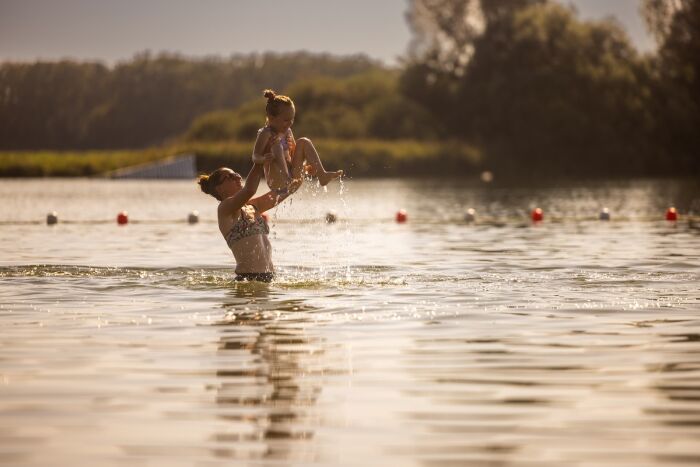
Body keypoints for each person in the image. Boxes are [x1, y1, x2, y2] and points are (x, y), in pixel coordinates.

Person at [197, 162, 300, 282]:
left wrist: (302, 169)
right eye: (230, 177)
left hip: (269, 278)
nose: (238, 177)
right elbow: (250, 189)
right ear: (219, 188)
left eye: (236, 174)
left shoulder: (254, 206)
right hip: (247, 279)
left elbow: (289, 188)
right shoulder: (224, 209)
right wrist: (259, 162)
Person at [252, 89, 343, 192]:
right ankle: (287, 180)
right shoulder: (265, 133)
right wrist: (263, 159)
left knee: (304, 141)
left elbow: (295, 156)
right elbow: (255, 156)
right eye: (286, 120)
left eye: (292, 119)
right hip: (277, 181)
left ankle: (322, 175)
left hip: (294, 177)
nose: (290, 123)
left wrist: (306, 168)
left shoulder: (287, 131)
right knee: (276, 145)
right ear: (271, 118)